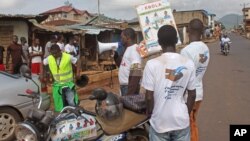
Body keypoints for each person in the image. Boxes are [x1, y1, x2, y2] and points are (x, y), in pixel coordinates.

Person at [142, 25, 196, 141]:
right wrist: (185, 113)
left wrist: (151, 114)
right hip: (181, 121)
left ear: (159, 42)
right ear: (176, 40)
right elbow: (192, 94)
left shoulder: (152, 64)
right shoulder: (188, 63)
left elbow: (149, 97)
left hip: (160, 122)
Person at [180, 19, 210, 141]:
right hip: (199, 93)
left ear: (188, 29)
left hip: (189, 96)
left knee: (190, 127)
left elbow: (182, 77)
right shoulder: (205, 48)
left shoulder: (186, 51)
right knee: (192, 123)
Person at [43, 44, 79, 112]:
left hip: (68, 84)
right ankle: (63, 116)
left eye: (55, 53)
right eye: (52, 53)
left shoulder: (68, 56)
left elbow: (77, 61)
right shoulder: (50, 58)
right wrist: (43, 75)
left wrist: (78, 73)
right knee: (60, 103)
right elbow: (42, 64)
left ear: (60, 51)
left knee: (71, 102)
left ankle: (74, 115)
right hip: (57, 85)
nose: (54, 55)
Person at [117, 28, 142, 96]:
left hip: (128, 88)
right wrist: (116, 56)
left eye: (122, 37)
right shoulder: (129, 49)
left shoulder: (134, 50)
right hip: (125, 87)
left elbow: (136, 73)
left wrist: (129, 95)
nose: (121, 39)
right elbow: (124, 66)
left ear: (127, 37)